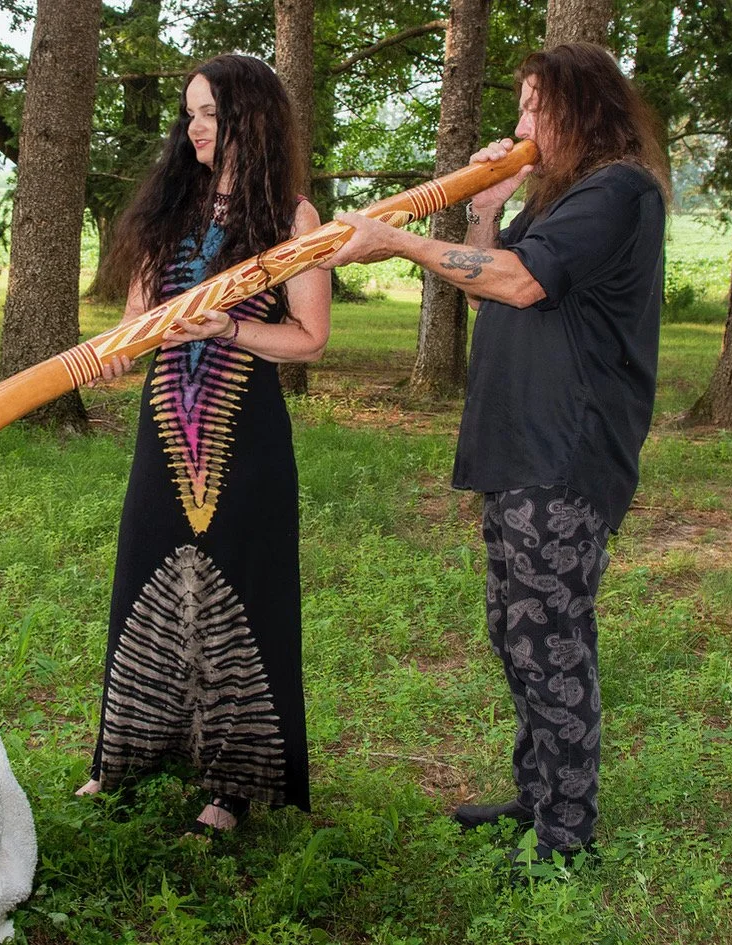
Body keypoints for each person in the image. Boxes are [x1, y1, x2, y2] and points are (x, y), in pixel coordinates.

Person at [323, 43, 669, 869]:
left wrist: (397, 244)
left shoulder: (618, 191)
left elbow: (518, 283)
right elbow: (489, 271)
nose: (517, 126)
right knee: (514, 632)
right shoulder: (562, 198)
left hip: (568, 451)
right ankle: (536, 793)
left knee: (552, 638)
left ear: (579, 111)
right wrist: (490, 207)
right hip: (518, 445)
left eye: (532, 108)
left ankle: (567, 837)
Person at [76, 54, 330, 833]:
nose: (194, 129)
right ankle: (124, 754)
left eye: (211, 114)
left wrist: (230, 325)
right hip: (163, 431)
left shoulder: (294, 222)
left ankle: (232, 784)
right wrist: (114, 353)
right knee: (144, 577)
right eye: (189, 113)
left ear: (251, 119)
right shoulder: (170, 212)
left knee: (243, 591)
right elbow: (135, 323)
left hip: (241, 439)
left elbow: (310, 339)